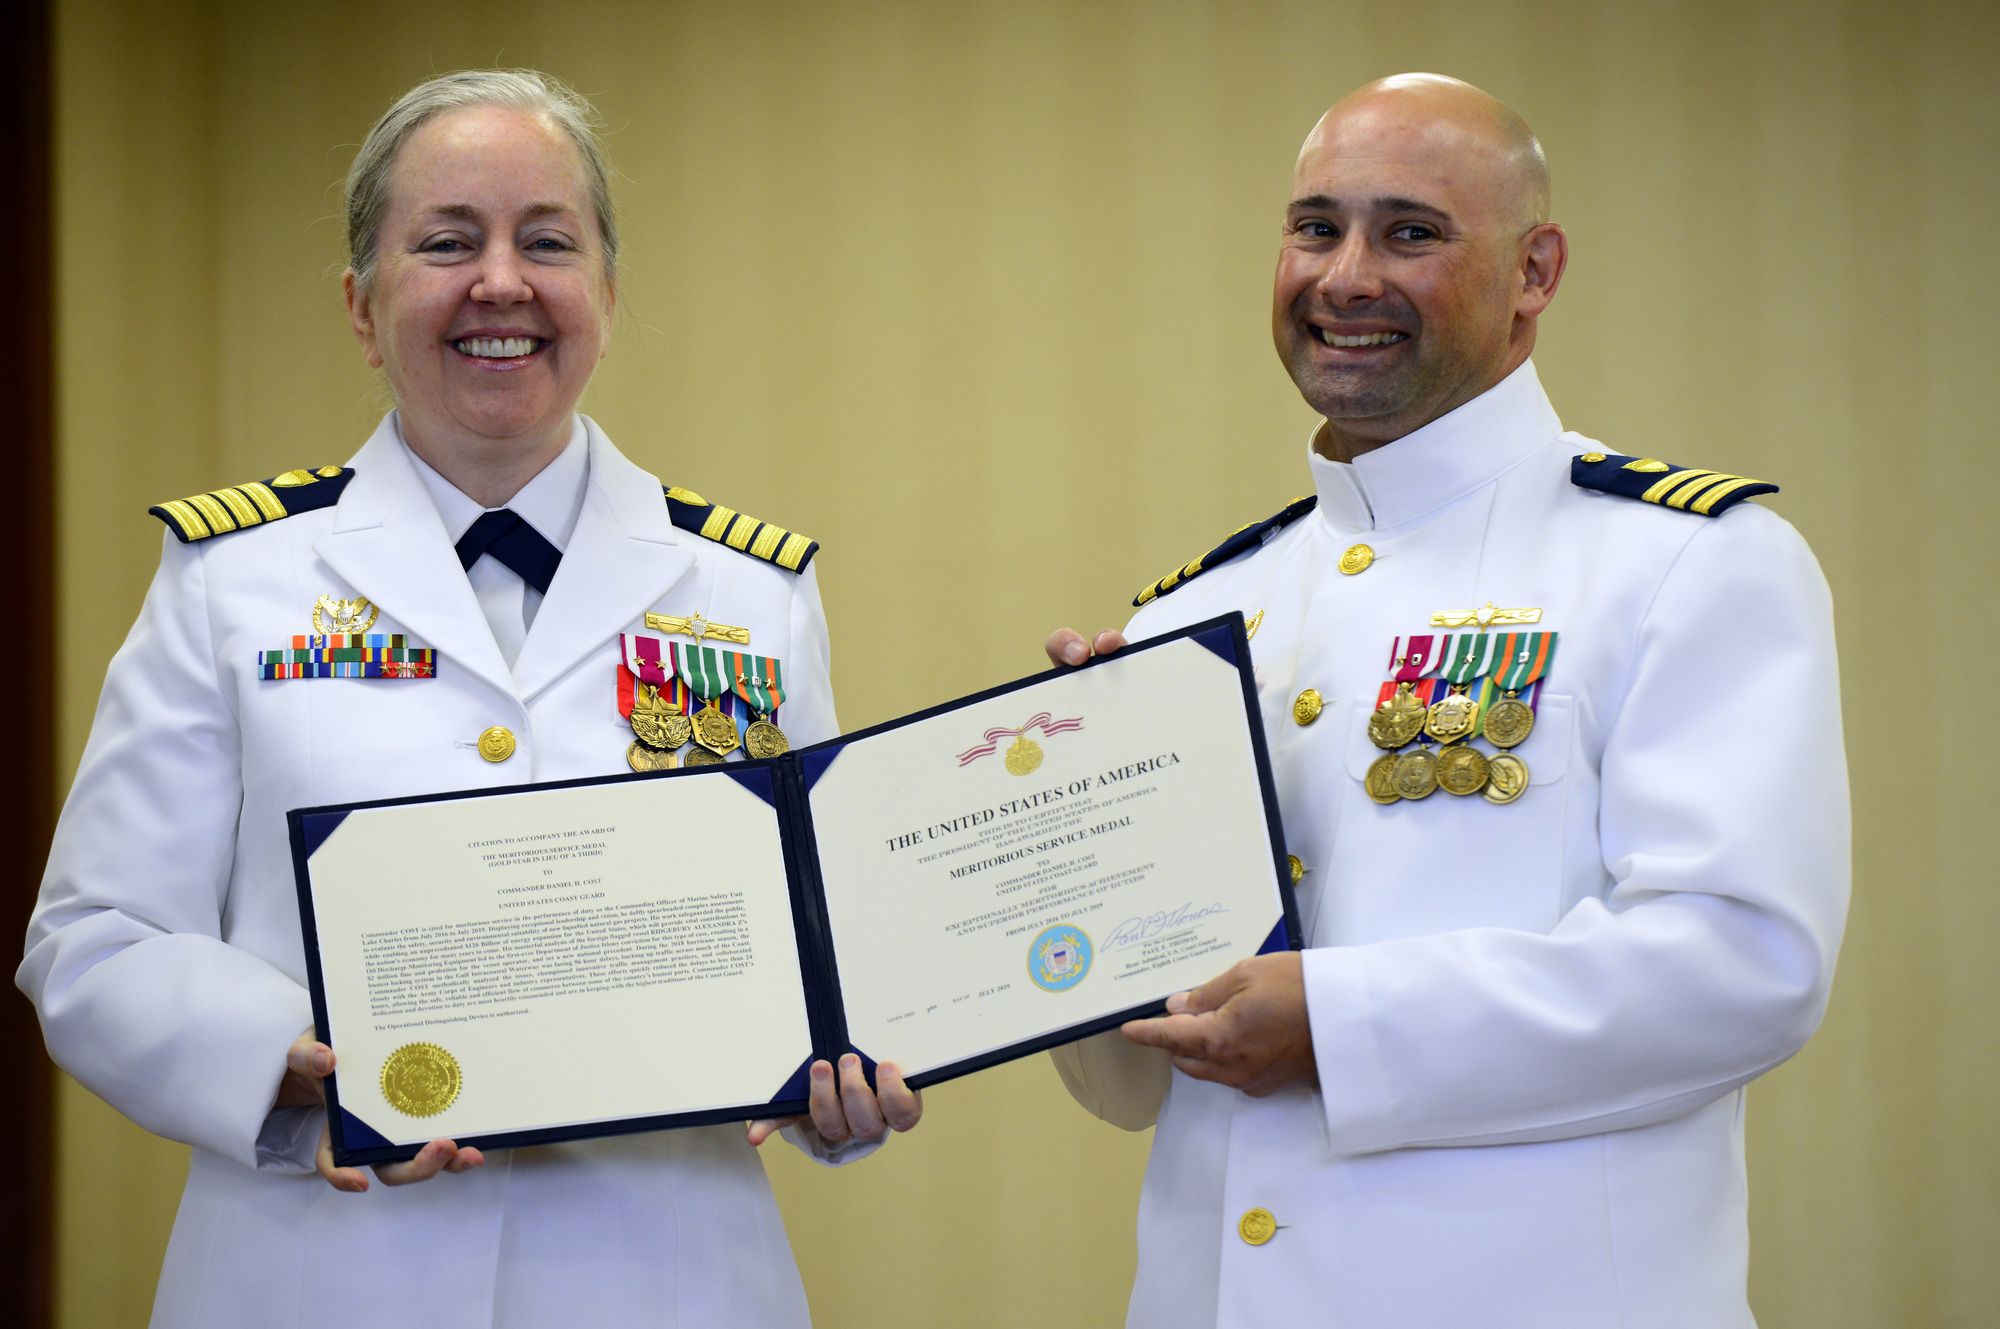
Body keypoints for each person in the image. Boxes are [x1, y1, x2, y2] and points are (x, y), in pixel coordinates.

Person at [18, 69, 918, 1328]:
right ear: (360, 303)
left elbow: (834, 960)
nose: (502, 282)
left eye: (547, 241)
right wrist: (298, 1071)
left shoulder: (750, 594)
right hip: (325, 1270)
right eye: (446, 242)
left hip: (658, 1273)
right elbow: (93, 940)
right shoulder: (234, 581)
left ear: (604, 292)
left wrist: (849, 1073)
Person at [1045, 73, 1847, 1327]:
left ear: (1534, 271)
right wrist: (1075, 857)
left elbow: (1743, 966)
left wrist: (1339, 1026)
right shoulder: (1190, 623)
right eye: (1314, 227)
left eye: (1408, 232)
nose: (1344, 276)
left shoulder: (1680, 560)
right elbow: (1126, 1088)